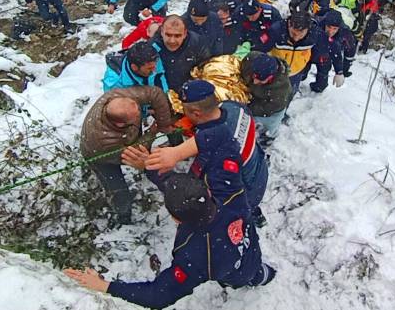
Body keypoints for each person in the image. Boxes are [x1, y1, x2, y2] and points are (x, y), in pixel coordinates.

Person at [63, 172, 276, 309]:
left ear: (175, 219)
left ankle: (261, 277)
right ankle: (265, 274)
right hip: (249, 247)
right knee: (255, 267)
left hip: (234, 270)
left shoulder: (196, 255)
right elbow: (182, 189)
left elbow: (158, 295)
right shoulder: (231, 192)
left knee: (246, 276)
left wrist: (106, 286)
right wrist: (148, 166)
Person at [143, 80, 269, 221]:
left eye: (184, 111)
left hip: (244, 193)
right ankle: (256, 213)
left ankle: (250, 215)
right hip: (258, 171)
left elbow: (187, 188)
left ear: (196, 114)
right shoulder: (234, 107)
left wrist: (150, 167)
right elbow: (220, 129)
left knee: (241, 213)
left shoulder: (211, 158)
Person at [79, 86, 175, 225]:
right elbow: (131, 155)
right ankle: (124, 216)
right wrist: (152, 133)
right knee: (119, 192)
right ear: (120, 124)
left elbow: (155, 93)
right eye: (136, 116)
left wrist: (164, 124)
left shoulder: (118, 96)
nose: (140, 115)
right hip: (100, 157)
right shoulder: (103, 140)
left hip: (126, 135)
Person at [240, 52, 292, 147]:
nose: (255, 81)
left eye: (260, 79)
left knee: (272, 124)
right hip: (256, 96)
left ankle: (270, 137)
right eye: (254, 76)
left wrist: (248, 108)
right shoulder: (251, 59)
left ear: (271, 77)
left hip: (273, 109)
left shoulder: (281, 90)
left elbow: (268, 108)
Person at [150, 15, 212, 92]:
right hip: (162, 92)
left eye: (177, 36)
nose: (172, 41)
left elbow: (207, 67)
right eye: (168, 35)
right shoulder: (152, 47)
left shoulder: (197, 43)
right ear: (162, 31)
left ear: (185, 33)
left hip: (190, 91)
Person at [267, 12, 320, 98]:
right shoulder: (276, 31)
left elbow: (322, 53)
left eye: (301, 34)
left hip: (296, 72)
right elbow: (262, 49)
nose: (296, 38)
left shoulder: (315, 34)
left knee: (288, 96)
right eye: (293, 33)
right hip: (275, 73)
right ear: (289, 24)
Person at [310, 10, 356, 93]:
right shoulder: (315, 26)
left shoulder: (344, 33)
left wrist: (341, 72)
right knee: (301, 75)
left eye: (334, 29)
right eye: (329, 27)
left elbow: (348, 51)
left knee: (321, 86)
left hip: (325, 57)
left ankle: (315, 87)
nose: (331, 31)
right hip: (309, 54)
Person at [103, 41, 169, 92]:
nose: (154, 70)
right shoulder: (115, 83)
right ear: (134, 67)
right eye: (150, 68)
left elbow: (160, 75)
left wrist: (166, 95)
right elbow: (116, 107)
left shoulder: (152, 59)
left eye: (155, 66)